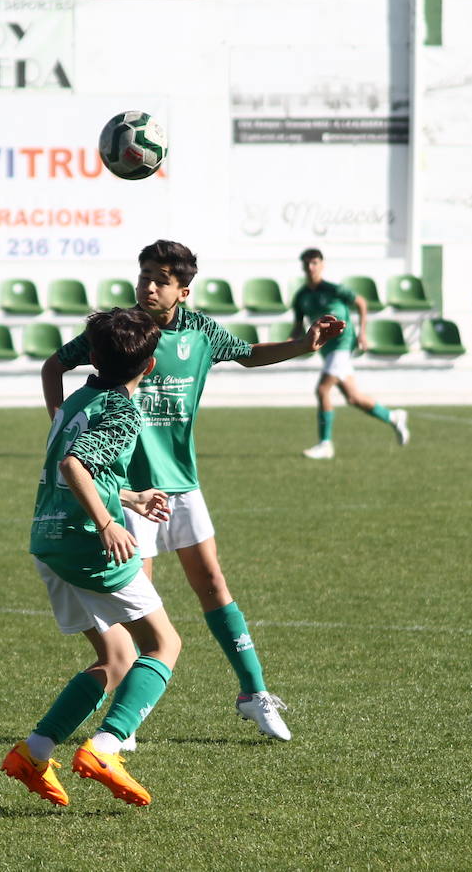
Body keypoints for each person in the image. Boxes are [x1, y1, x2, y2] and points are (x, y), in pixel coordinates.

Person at [41, 240, 344, 743]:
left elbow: (247, 354)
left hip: (182, 485)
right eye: (143, 276)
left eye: (160, 279)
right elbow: (55, 366)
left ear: (184, 289)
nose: (148, 286)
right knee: (141, 607)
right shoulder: (124, 333)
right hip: (129, 492)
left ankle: (254, 692)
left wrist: (302, 345)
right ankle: (126, 721)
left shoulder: (201, 332)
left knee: (214, 585)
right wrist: (60, 424)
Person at [4, 306, 179, 807]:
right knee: (163, 644)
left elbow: (79, 470)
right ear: (148, 368)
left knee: (116, 657)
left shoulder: (78, 398)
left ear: (93, 358)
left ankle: (33, 753)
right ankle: (106, 746)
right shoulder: (124, 410)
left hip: (48, 539)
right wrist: (108, 523)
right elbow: (75, 464)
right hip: (88, 543)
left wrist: (130, 498)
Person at [291, 248, 409, 459]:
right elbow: (297, 327)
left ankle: (325, 444)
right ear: (302, 267)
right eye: (307, 264)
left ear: (322, 265)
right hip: (326, 350)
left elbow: (361, 303)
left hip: (342, 345)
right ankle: (393, 417)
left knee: (322, 390)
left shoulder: (335, 290)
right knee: (353, 398)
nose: (311, 267)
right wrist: (291, 343)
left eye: (315, 263)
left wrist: (362, 333)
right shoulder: (301, 297)